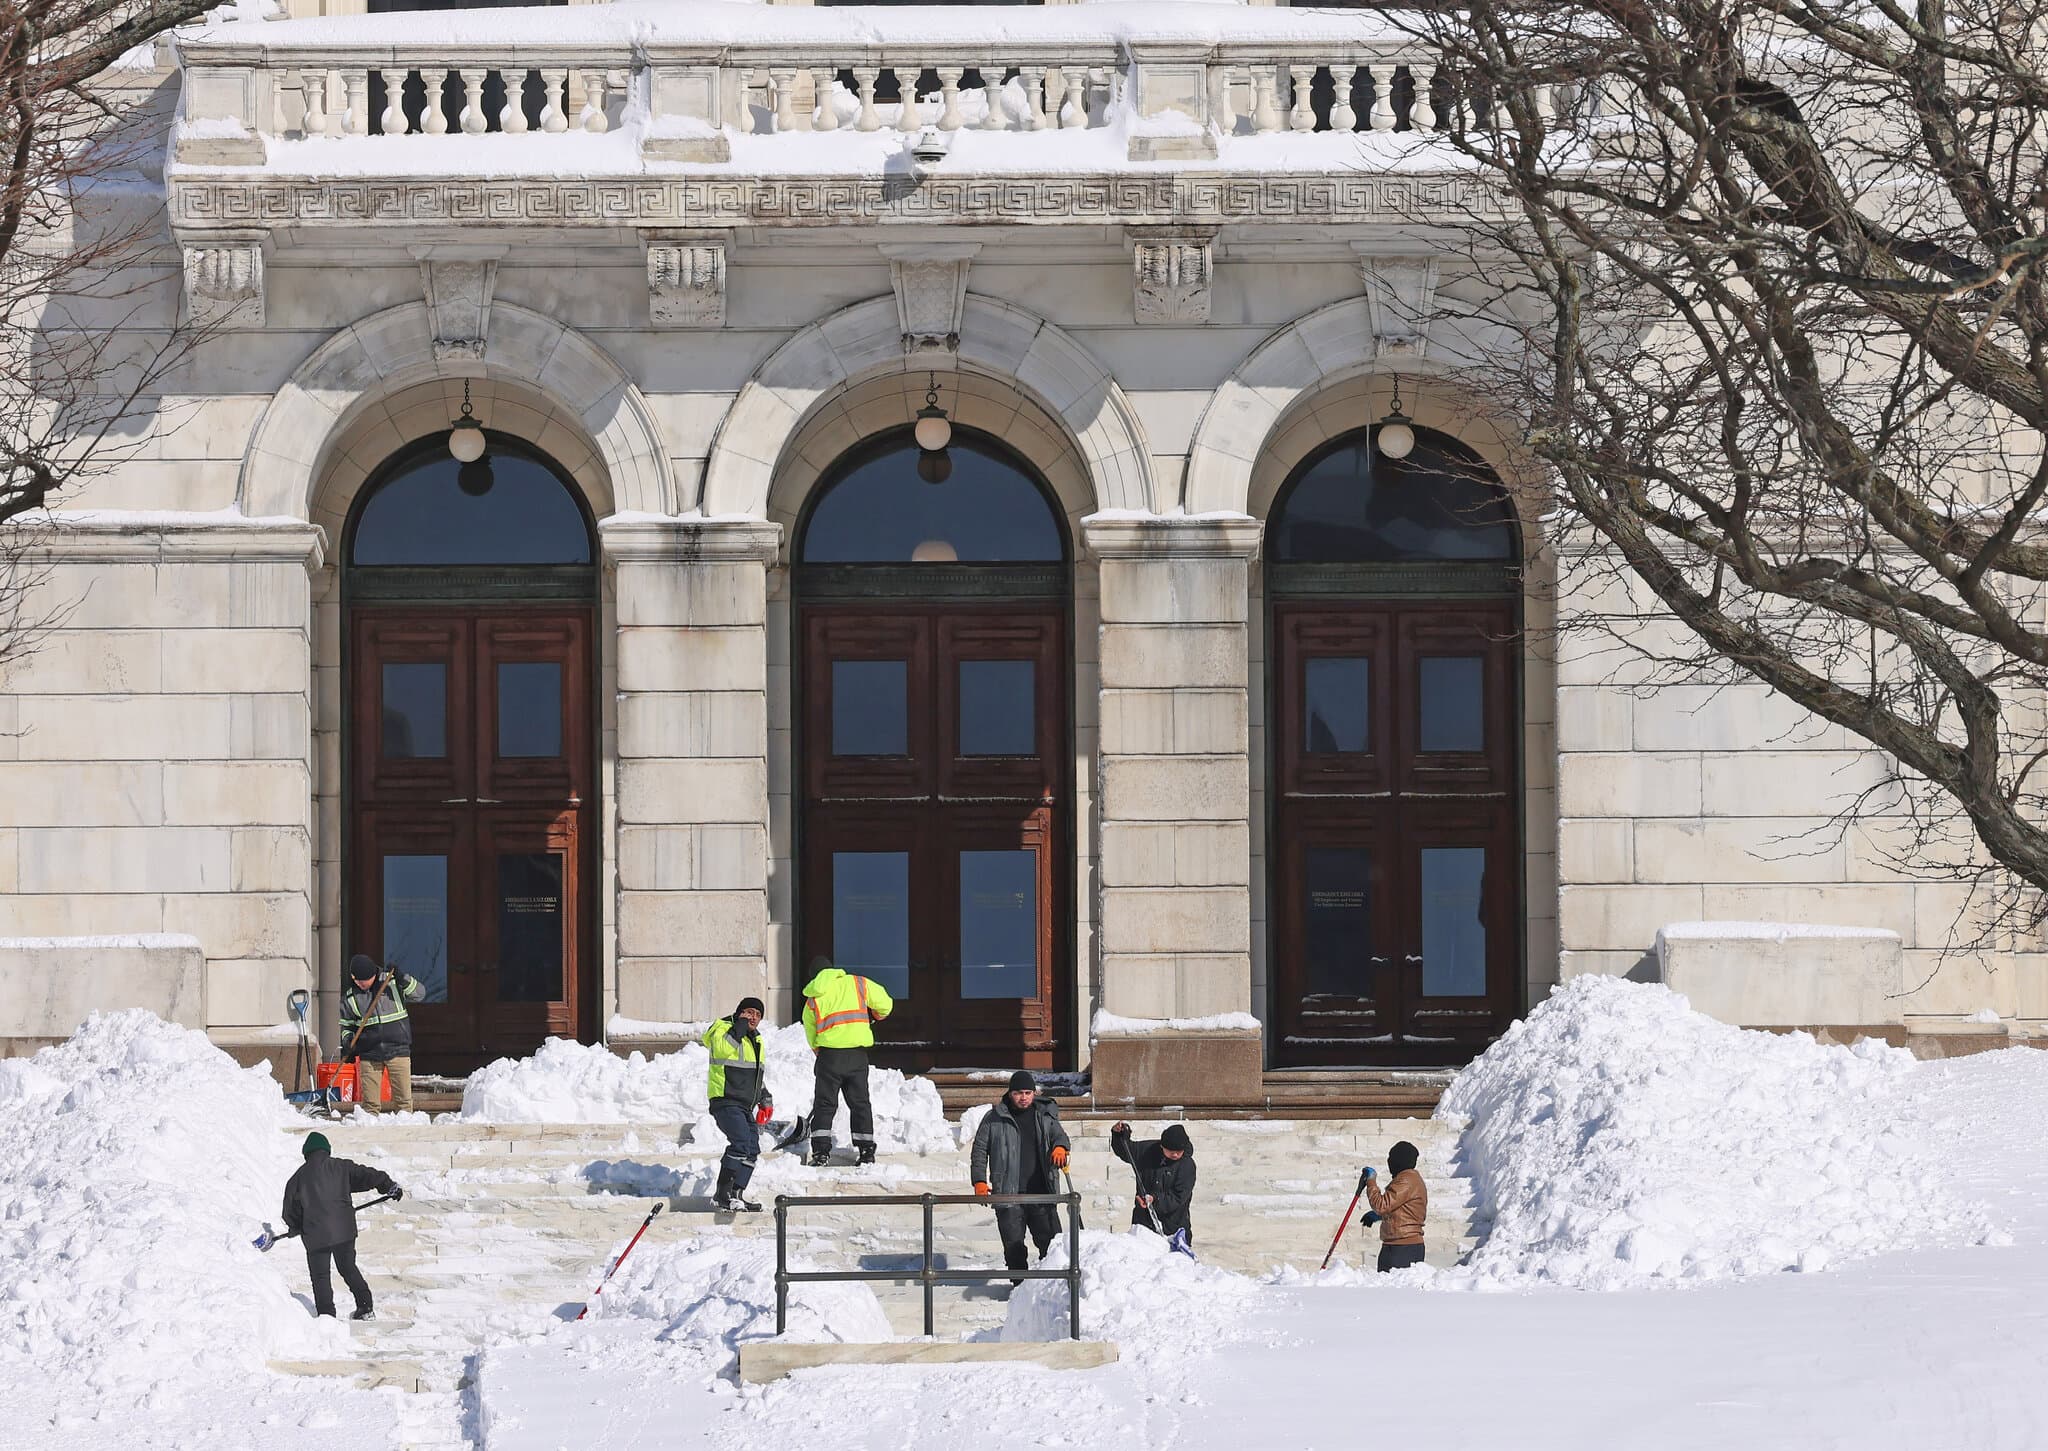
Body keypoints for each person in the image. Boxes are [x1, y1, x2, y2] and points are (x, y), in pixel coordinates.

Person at [282, 1130, 401, 1320]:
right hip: (343, 1231)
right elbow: (366, 1175)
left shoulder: (297, 1178)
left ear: (307, 1153)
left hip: (315, 1236)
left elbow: (289, 1211)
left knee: (320, 1277)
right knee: (347, 1267)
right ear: (326, 1149)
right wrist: (388, 1186)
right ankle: (365, 1306)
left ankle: (327, 1316)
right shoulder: (340, 1167)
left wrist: (296, 1226)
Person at [970, 1071, 1071, 1284]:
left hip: (1041, 1193)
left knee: (1052, 1246)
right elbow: (979, 1150)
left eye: (1027, 1092)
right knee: (1014, 1247)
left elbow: (1059, 1135)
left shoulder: (1044, 1114)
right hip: (1008, 1194)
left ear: (1034, 1093)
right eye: (1018, 1093)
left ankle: (1051, 1287)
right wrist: (979, 1181)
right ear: (1010, 1093)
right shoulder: (994, 1118)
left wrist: (1060, 1147)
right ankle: (1019, 1291)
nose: (1023, 1097)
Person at [800, 958, 892, 1167]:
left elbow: (810, 1030)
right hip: (857, 1056)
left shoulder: (813, 998)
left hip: (829, 1057)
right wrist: (875, 1016)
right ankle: (866, 1151)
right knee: (860, 1103)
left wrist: (820, 1051)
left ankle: (821, 1153)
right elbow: (886, 1004)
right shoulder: (858, 983)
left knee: (824, 1105)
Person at [702, 996, 772, 1212]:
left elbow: (753, 1074)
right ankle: (722, 1194)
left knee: (751, 1149)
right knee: (740, 1142)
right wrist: (739, 1025)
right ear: (740, 1012)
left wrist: (764, 1096)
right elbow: (723, 1050)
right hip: (725, 1099)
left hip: (744, 1104)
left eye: (758, 1015)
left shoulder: (755, 1039)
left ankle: (736, 1194)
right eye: (749, 1012)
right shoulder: (722, 1028)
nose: (754, 1017)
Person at [339, 954, 426, 1114]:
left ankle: (405, 1130)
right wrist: (347, 1040)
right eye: (357, 980)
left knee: (404, 1102)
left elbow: (419, 994)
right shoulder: (350, 997)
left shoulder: (392, 982)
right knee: (370, 1106)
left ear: (373, 974)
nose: (360, 983)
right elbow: (346, 1025)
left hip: (398, 1049)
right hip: (369, 1054)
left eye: (364, 980)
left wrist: (403, 978)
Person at [1110, 1121, 1196, 1244]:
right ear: (1162, 1146)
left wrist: (1154, 1200)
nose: (1176, 1154)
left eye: (1179, 1151)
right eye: (1171, 1151)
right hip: (1144, 1224)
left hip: (1174, 1227)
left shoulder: (1187, 1165)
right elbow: (1126, 1150)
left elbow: (1178, 1197)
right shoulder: (1148, 1151)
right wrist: (1119, 1135)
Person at [1362, 1138, 1428, 1272]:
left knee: (1395, 1290)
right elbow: (1403, 1208)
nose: (1389, 1163)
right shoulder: (1408, 1179)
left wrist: (1371, 1181)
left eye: (1391, 1158)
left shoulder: (1406, 1180)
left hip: (1404, 1248)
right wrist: (1379, 1216)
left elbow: (1381, 1205)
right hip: (1396, 1245)